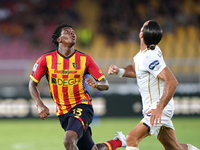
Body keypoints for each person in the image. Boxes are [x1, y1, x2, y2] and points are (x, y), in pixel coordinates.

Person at [29, 23, 126, 150]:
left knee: (69, 141)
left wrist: (97, 84)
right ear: (59, 39)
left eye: (73, 32)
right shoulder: (45, 59)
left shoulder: (85, 59)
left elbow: (105, 84)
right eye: (67, 32)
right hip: (63, 112)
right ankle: (118, 141)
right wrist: (39, 104)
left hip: (82, 105)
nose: (72, 33)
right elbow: (32, 84)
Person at [108, 20, 199, 150]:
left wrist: (159, 109)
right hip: (156, 109)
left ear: (141, 34)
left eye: (143, 26)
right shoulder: (146, 54)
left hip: (157, 110)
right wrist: (118, 71)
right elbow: (135, 70)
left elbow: (172, 81)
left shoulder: (149, 57)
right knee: (175, 148)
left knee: (131, 138)